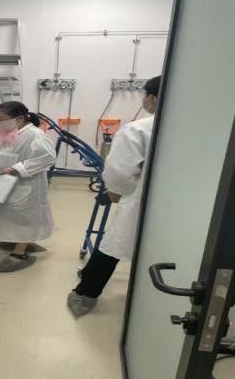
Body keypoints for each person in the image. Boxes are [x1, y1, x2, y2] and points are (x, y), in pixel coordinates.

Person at [67, 75, 160, 317]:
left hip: (140, 200)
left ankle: (85, 293)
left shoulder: (138, 129)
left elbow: (120, 173)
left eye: (144, 95)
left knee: (115, 242)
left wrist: (115, 193)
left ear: (151, 98)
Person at [0, 101, 56, 272]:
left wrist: (17, 169)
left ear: (19, 119)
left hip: (24, 185)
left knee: (24, 218)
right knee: (6, 214)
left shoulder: (34, 135)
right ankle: (11, 239)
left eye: (1, 119)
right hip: (2, 182)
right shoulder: (5, 132)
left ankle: (20, 252)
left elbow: (47, 157)